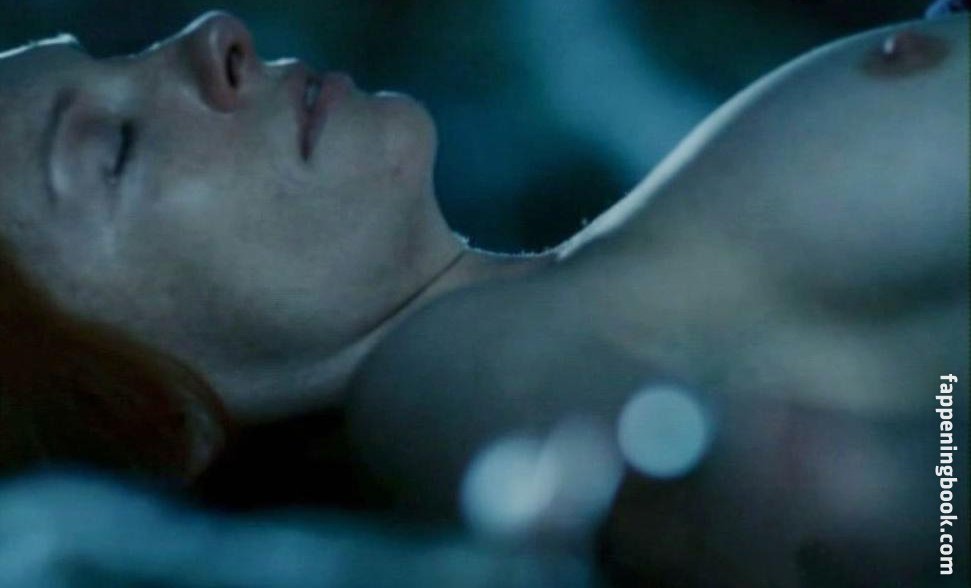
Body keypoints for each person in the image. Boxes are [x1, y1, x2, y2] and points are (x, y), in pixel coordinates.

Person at [0, 7, 966, 585]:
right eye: (115, 148)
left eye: (119, 56)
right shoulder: (434, 382)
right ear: (158, 418)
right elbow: (824, 496)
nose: (214, 35)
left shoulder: (553, 298)